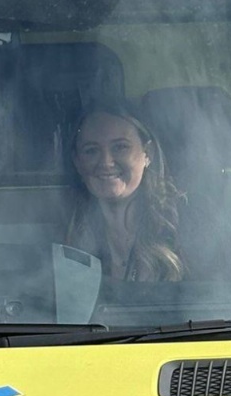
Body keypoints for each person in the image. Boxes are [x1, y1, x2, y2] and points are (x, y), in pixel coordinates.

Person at [66, 102, 184, 280]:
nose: (106, 162)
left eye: (120, 147)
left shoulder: (186, 227)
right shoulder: (68, 238)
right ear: (77, 162)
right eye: (91, 151)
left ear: (148, 154)